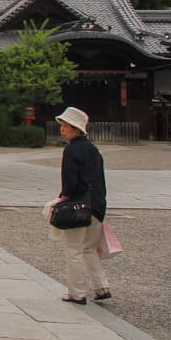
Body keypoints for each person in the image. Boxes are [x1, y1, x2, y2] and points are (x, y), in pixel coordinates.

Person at [55, 106, 110, 304]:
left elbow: (70, 182)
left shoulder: (71, 150)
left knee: (74, 250)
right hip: (96, 204)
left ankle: (77, 293)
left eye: (65, 127)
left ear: (76, 129)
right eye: (61, 126)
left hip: (79, 205)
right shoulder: (93, 149)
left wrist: (64, 197)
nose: (62, 130)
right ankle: (101, 286)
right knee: (89, 248)